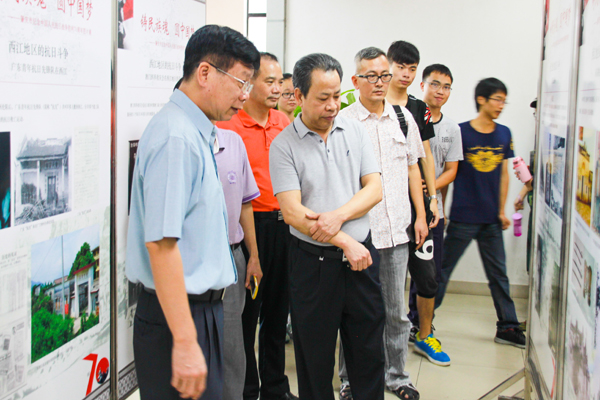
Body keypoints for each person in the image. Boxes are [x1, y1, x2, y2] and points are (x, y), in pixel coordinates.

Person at [126, 25, 260, 400]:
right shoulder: (176, 137)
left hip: (199, 313)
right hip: (179, 318)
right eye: (241, 82)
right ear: (205, 73)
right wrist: (185, 341)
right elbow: (161, 244)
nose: (245, 95)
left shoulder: (196, 131)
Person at [270, 53, 385, 400]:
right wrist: (344, 241)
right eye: (323, 98)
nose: (333, 105)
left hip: (362, 260)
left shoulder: (355, 130)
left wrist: (338, 217)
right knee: (314, 358)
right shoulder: (283, 146)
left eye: (336, 95)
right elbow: (293, 213)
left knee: (367, 352)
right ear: (299, 95)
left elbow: (374, 189)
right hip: (313, 265)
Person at [336, 47, 445, 400]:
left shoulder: (404, 118)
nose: (380, 82)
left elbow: (413, 167)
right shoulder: (345, 121)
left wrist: (421, 215)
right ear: (356, 81)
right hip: (360, 234)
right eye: (371, 76)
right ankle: (350, 381)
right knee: (356, 313)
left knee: (396, 313)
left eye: (384, 75)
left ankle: (397, 376)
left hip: (398, 229)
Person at [217, 53, 297, 400]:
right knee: (247, 316)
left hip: (285, 225)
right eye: (270, 81)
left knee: (278, 313)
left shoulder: (283, 121)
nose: (277, 88)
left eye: (280, 82)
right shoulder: (230, 125)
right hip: (251, 227)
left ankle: (275, 387)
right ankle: (248, 390)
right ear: (249, 85)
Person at [435, 78, 526, 348]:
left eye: (504, 101)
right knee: (442, 272)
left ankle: (508, 327)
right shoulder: (461, 132)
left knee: (499, 276)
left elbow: (504, 174)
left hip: (491, 220)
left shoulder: (504, 133)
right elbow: (449, 173)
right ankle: (420, 321)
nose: (501, 105)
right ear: (481, 100)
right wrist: (441, 210)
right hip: (463, 218)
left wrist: (501, 211)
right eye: (497, 99)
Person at [386, 40, 441, 361]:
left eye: (412, 69)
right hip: (383, 203)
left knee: (426, 276)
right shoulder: (375, 104)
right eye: (400, 67)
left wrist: (432, 198)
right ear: (389, 65)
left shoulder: (421, 109)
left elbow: (426, 157)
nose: (406, 74)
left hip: (416, 202)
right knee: (383, 281)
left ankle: (424, 334)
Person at [406, 64, 463, 351]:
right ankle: (405, 324)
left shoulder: (452, 129)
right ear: (422, 85)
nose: (440, 91)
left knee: (428, 275)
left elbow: (451, 171)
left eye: (446, 86)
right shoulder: (407, 115)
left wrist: (430, 188)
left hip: (431, 210)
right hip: (403, 207)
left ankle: (421, 327)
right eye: (435, 84)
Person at [214, 127, 263, 400]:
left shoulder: (233, 142)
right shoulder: (182, 142)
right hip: (193, 264)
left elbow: (246, 204)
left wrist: (253, 255)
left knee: (233, 348)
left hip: (233, 257)